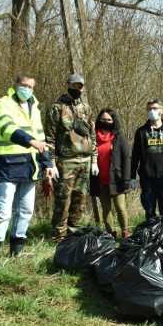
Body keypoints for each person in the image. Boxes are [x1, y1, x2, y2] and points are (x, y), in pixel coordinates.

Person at [0, 73, 55, 262]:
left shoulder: (35, 108)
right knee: (3, 212)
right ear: (16, 85)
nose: (27, 89)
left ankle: (16, 253)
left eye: (31, 87)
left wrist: (47, 164)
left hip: (30, 166)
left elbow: (40, 137)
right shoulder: (3, 104)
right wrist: (29, 141)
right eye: (24, 85)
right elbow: (5, 128)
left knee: (26, 211)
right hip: (7, 165)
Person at [45, 73, 97, 241]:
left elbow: (92, 135)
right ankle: (59, 236)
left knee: (80, 199)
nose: (77, 89)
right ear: (67, 85)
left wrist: (94, 159)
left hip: (85, 160)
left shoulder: (86, 108)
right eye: (74, 85)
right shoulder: (57, 108)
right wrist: (51, 162)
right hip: (66, 161)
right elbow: (49, 138)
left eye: (80, 86)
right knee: (62, 199)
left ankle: (74, 234)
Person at [131, 98, 163, 219]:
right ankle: (151, 236)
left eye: (155, 108)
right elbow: (135, 155)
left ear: (161, 110)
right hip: (147, 179)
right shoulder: (141, 132)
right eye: (149, 109)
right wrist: (131, 177)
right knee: (149, 210)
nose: (152, 111)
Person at [90, 108, 133, 240]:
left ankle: (125, 233)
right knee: (106, 209)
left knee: (120, 208)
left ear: (113, 121)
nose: (106, 122)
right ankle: (110, 234)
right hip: (100, 180)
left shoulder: (119, 137)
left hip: (117, 180)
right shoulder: (92, 137)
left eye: (109, 120)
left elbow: (126, 157)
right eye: (103, 119)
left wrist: (127, 178)